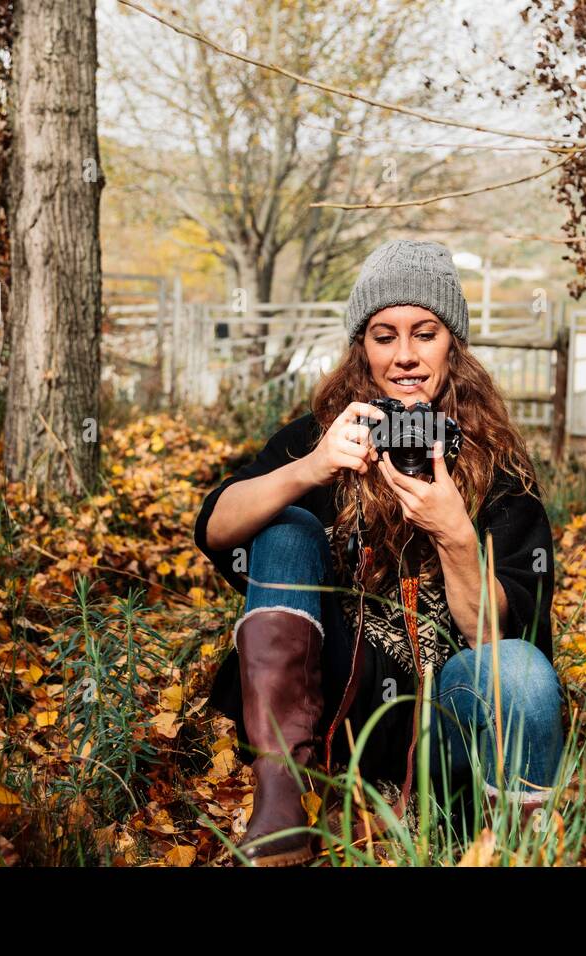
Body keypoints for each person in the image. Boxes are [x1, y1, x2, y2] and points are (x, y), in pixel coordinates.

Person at [194, 238, 565, 866]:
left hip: (444, 729)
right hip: (335, 712)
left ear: (454, 344)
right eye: (383, 335)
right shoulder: (326, 435)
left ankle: (513, 845)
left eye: (425, 333)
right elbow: (215, 528)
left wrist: (454, 534)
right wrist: (309, 469)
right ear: (361, 348)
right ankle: (281, 801)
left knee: (523, 673)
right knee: (285, 527)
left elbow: (502, 645)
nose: (406, 356)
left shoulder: (500, 466)